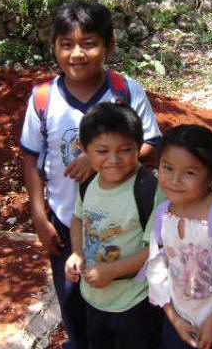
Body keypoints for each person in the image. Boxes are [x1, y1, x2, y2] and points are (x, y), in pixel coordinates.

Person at [20, 0, 161, 349]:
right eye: (66, 44)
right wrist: (40, 216)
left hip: (123, 223)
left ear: (109, 46)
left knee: (127, 303)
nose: (77, 54)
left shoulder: (125, 91)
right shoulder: (43, 98)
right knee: (73, 300)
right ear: (54, 47)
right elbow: (31, 158)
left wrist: (95, 160)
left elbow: (154, 147)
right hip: (69, 221)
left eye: (89, 43)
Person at [64, 102, 165, 349]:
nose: (114, 160)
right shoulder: (89, 183)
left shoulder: (149, 190)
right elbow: (78, 219)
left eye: (125, 150)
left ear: (139, 147)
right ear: (85, 151)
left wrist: (112, 271)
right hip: (94, 297)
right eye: (102, 151)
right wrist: (76, 252)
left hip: (134, 301)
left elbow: (156, 248)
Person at [145, 124, 212, 349]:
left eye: (189, 172)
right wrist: (173, 316)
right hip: (179, 323)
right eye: (167, 168)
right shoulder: (163, 215)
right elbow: (157, 267)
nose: (175, 180)